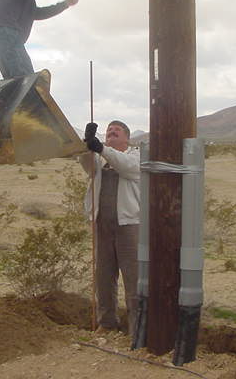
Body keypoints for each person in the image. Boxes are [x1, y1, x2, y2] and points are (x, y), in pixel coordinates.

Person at [79, 120, 140, 335]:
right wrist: (87, 146)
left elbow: (126, 167)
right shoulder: (100, 159)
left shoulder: (136, 156)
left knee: (134, 278)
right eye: (108, 131)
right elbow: (87, 165)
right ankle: (106, 323)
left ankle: (137, 330)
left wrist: (101, 148)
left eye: (116, 130)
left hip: (129, 226)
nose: (111, 132)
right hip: (102, 225)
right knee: (103, 277)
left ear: (127, 137)